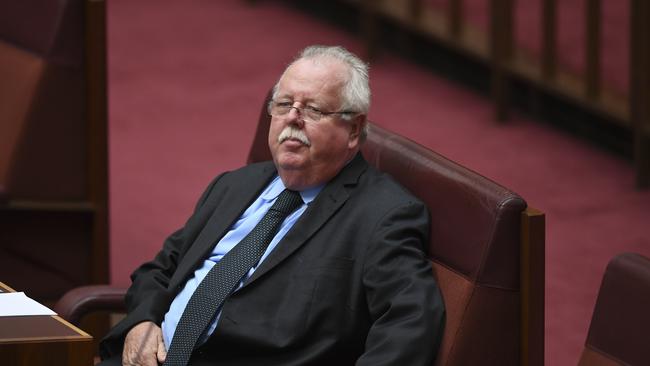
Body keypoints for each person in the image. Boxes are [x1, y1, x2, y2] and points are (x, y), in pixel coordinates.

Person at [99, 45, 445, 366]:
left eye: (312, 109)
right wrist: (144, 319)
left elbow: (410, 325)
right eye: (283, 105)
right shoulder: (235, 184)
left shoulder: (384, 214)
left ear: (354, 129)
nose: (292, 119)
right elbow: (161, 269)